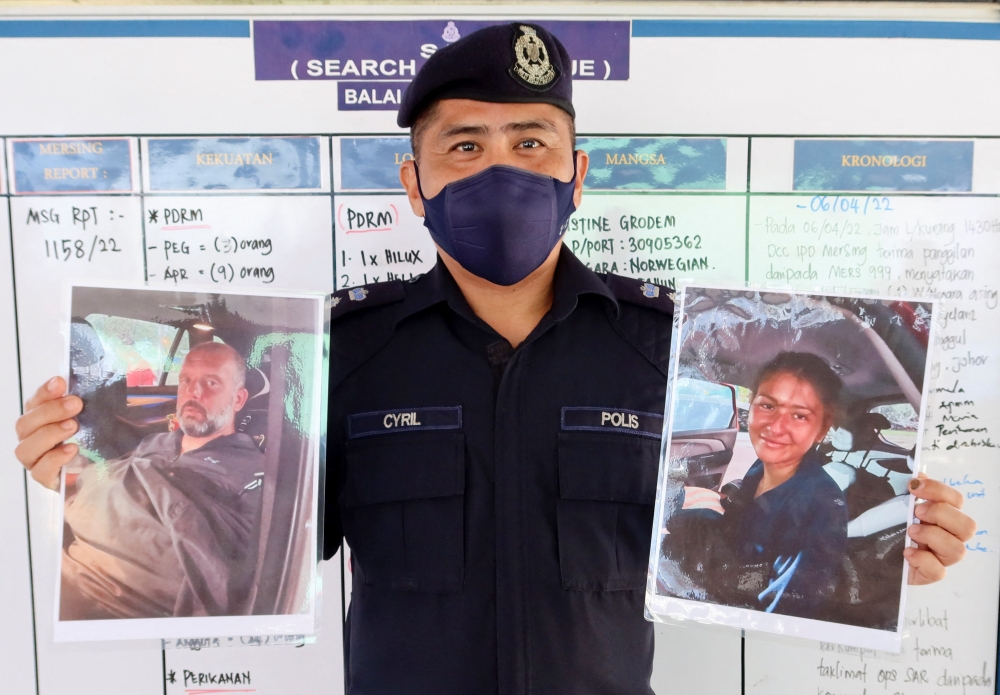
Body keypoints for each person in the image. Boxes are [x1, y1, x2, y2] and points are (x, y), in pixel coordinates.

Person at [16, 23, 976, 695]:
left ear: (578, 171)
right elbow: (253, 542)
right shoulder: (346, 356)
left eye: (532, 141)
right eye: (464, 145)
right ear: (415, 182)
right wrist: (87, 470)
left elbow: (727, 547)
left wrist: (881, 558)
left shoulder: (660, 352)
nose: (502, 168)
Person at [42, 341, 263, 620]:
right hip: (68, 564)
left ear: (238, 399)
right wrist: (57, 472)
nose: (193, 392)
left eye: (211, 383)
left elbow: (227, 567)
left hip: (121, 607)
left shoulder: (251, 470)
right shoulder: (156, 442)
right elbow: (104, 479)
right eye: (186, 380)